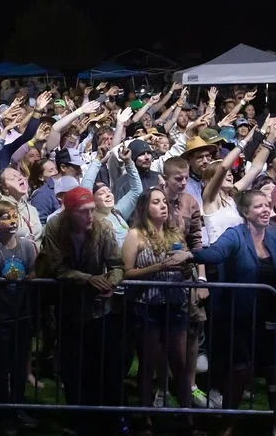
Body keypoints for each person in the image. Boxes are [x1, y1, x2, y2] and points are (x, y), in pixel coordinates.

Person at [188, 190, 276, 435]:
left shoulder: (274, 238)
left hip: (270, 317)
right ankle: (228, 424)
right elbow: (215, 254)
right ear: (245, 212)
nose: (266, 210)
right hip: (238, 318)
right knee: (240, 372)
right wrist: (190, 254)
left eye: (267, 205)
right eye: (258, 206)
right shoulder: (235, 235)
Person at [37, 186, 126, 436]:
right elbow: (57, 268)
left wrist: (111, 281)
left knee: (107, 368)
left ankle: (112, 419)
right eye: (83, 212)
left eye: (91, 211)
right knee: (74, 370)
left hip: (100, 310)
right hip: (69, 308)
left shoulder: (103, 227)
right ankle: (80, 419)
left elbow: (117, 264)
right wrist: (88, 279)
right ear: (69, 213)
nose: (89, 216)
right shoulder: (55, 228)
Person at [121, 187, 194, 436]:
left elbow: (187, 269)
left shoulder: (176, 233)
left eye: (164, 201)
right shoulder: (135, 235)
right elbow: (127, 272)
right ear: (144, 208)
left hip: (175, 305)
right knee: (148, 364)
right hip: (148, 306)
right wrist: (159, 266)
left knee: (181, 364)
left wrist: (185, 269)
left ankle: (187, 418)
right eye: (156, 202)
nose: (163, 205)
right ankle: (145, 418)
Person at [0, 201, 38, 436]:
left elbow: (34, 271)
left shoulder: (26, 247)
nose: (12, 220)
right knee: (2, 367)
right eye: (5, 217)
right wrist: (6, 281)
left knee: (20, 365)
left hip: (22, 315)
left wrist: (31, 276)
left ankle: (19, 408)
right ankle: (4, 412)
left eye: (14, 216)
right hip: (0, 317)